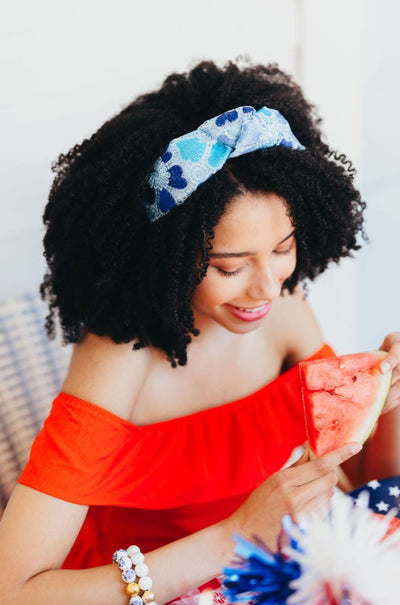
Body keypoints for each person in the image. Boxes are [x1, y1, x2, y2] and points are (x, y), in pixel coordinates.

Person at [0, 60, 399, 605]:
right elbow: (14, 591)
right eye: (230, 267)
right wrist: (234, 535)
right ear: (164, 258)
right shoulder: (120, 359)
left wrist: (390, 404)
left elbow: (365, 484)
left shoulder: (283, 305)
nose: (266, 288)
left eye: (283, 249)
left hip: (280, 571)